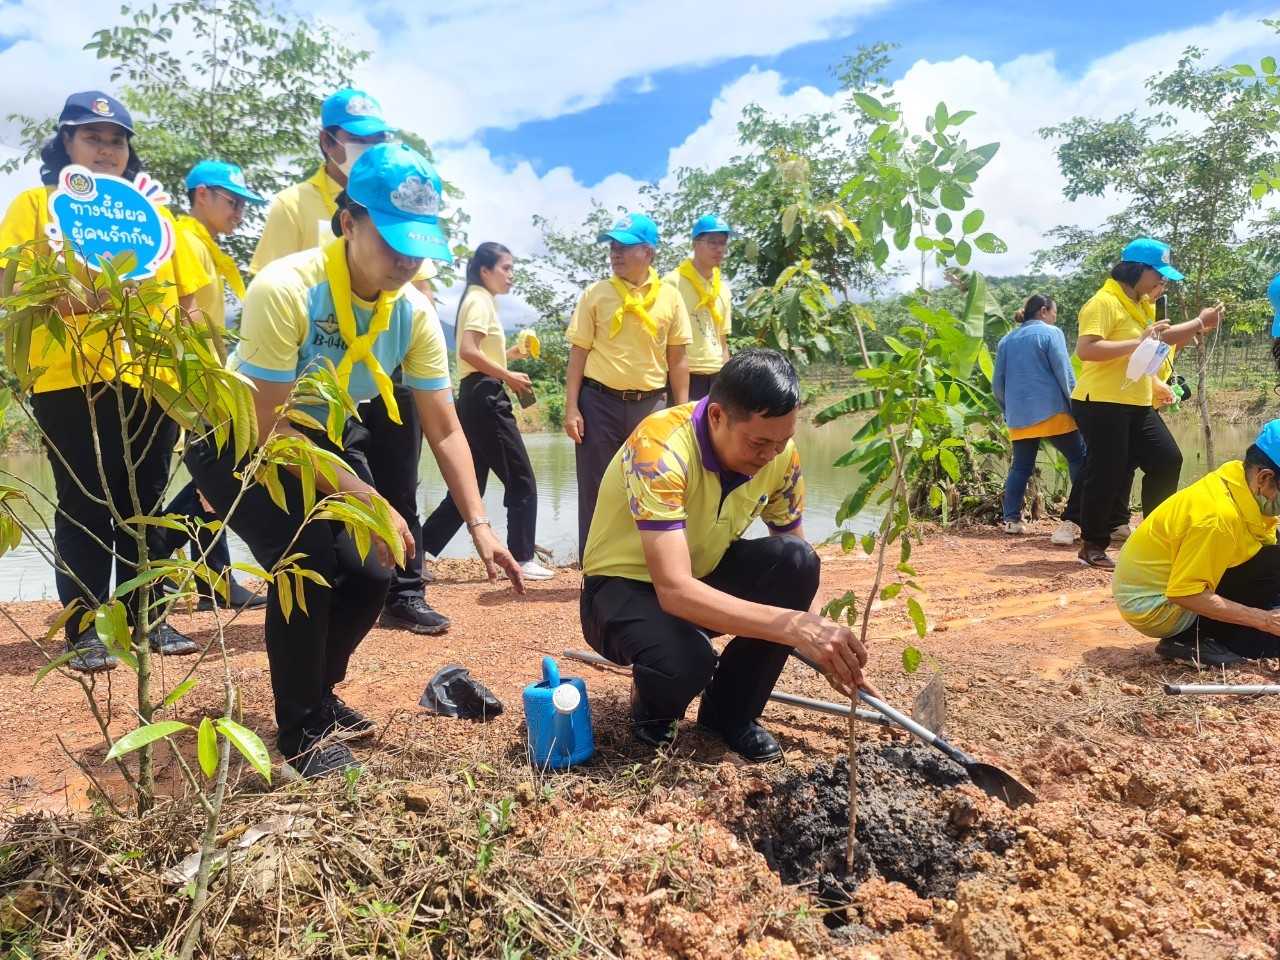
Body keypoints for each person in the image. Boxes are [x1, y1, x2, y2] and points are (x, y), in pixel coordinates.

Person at [186, 144, 524, 779]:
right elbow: (265, 426)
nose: (406, 259)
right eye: (392, 240)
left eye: (418, 245)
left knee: (376, 567)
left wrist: (481, 527)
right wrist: (366, 496)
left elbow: (445, 426)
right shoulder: (286, 288)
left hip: (320, 436)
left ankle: (319, 689)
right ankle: (302, 730)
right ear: (349, 221)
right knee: (307, 555)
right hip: (237, 438)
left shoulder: (415, 312)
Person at [579, 349, 877, 761]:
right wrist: (794, 628)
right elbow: (674, 591)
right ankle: (653, 708)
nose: (770, 455)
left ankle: (729, 713)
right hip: (619, 592)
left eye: (782, 441)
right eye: (759, 442)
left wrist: (823, 641)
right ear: (717, 416)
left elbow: (796, 554)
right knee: (688, 659)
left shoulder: (778, 455)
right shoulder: (659, 449)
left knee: (797, 560)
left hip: (701, 577)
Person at [0, 91, 210, 671]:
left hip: (154, 378)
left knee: (142, 500)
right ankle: (86, 629)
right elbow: (13, 291)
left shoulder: (156, 217)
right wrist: (95, 298)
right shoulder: (35, 207)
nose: (106, 149)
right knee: (84, 503)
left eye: (117, 139)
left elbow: (187, 303)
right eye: (92, 136)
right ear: (65, 142)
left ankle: (148, 619)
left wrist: (195, 374)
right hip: (70, 378)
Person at [251, 88, 448, 635]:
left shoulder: (408, 196)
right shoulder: (295, 206)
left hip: (383, 371)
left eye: (376, 138)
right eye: (356, 138)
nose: (366, 147)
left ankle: (406, 588)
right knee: (329, 531)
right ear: (328, 141)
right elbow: (272, 294)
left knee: (397, 485)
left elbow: (415, 288)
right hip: (305, 390)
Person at [151, 160, 270, 611]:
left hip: (205, 376)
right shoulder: (184, 239)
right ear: (202, 194)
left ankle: (214, 582)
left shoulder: (203, 243)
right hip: (195, 380)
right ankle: (158, 551)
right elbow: (190, 317)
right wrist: (213, 386)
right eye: (233, 201)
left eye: (243, 205)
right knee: (220, 478)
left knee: (214, 478)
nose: (239, 212)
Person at [1070, 238, 1224, 570]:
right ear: (1139, 270)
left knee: (1167, 459)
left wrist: (1199, 326)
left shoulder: (1140, 304)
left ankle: (1156, 537)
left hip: (1135, 400)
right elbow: (1087, 350)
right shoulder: (1103, 302)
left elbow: (1159, 343)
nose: (1161, 283)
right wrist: (1193, 324)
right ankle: (1092, 545)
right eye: (1159, 275)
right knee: (1107, 469)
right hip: (1100, 401)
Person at [420, 243, 555, 580]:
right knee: (521, 479)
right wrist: (507, 374)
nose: (512, 275)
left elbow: (477, 353)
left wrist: (511, 355)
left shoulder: (480, 300)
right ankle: (522, 558)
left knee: (469, 487)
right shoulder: (480, 300)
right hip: (486, 398)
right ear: (485, 270)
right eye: (506, 268)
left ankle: (416, 552)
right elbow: (467, 351)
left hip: (474, 396)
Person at [565, 213, 692, 557]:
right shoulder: (596, 294)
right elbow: (578, 354)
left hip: (650, 407)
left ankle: (646, 564)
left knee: (652, 485)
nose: (615, 253)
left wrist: (682, 412)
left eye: (624, 247)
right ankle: (591, 566)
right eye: (613, 247)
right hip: (597, 404)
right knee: (594, 488)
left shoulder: (670, 297)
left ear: (648, 253)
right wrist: (572, 407)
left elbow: (678, 358)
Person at [1113, 420, 1280, 667]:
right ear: (1265, 478)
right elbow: (1186, 593)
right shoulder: (1217, 517)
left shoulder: (1239, 480)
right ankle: (1189, 638)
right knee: (1268, 640)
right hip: (1159, 608)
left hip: (1177, 584)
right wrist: (1265, 619)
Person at [992, 294, 1086, 542]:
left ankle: (1011, 520)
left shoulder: (1006, 341)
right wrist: (1077, 405)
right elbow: (1064, 372)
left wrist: (1007, 409)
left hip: (1018, 413)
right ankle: (1079, 516)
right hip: (1052, 409)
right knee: (1079, 456)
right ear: (1043, 311)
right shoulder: (1051, 333)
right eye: (1054, 313)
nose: (1055, 317)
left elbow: (997, 384)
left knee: (1021, 466)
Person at [664, 214, 733, 401]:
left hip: (715, 377)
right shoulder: (671, 283)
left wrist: (726, 384)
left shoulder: (723, 289)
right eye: (712, 242)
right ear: (695, 244)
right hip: (681, 375)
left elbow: (722, 340)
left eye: (723, 243)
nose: (719, 249)